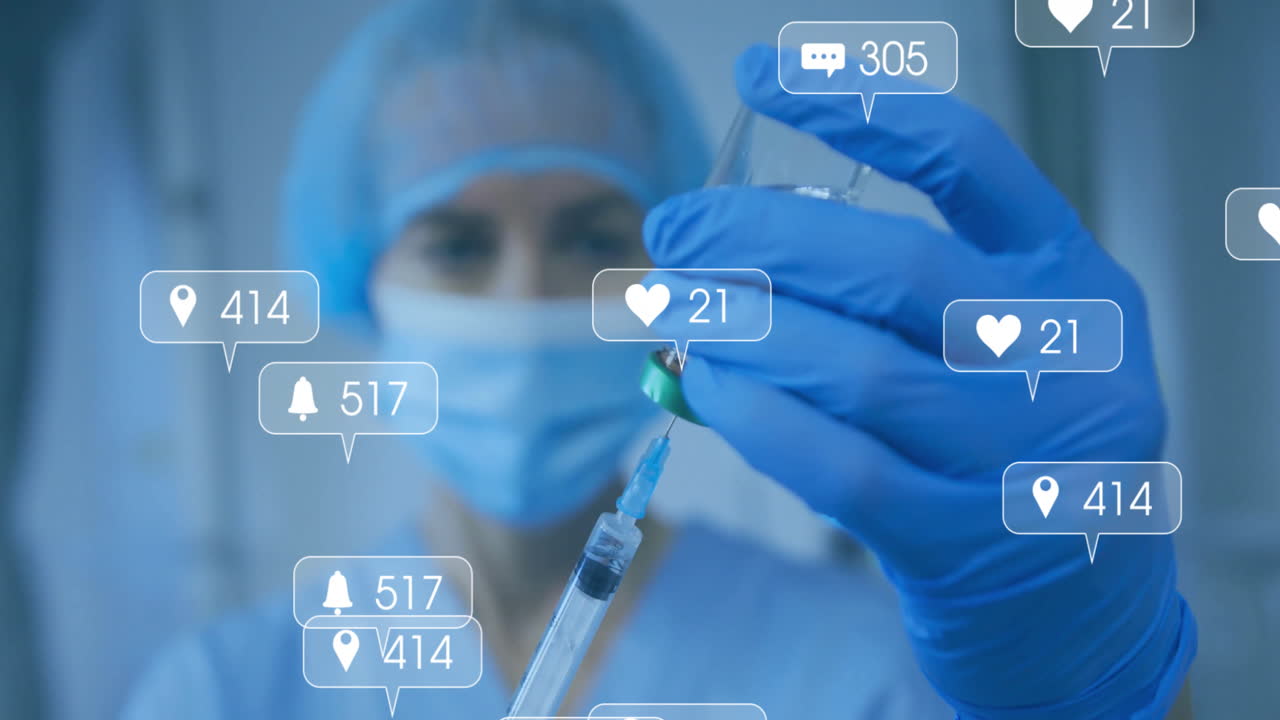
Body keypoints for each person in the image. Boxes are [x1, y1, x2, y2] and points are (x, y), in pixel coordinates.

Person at [125, 1, 1196, 718]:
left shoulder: (867, 667)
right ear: (359, 274)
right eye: (456, 244)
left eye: (593, 236)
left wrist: (1095, 688)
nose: (526, 293)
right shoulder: (223, 689)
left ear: (672, 267)